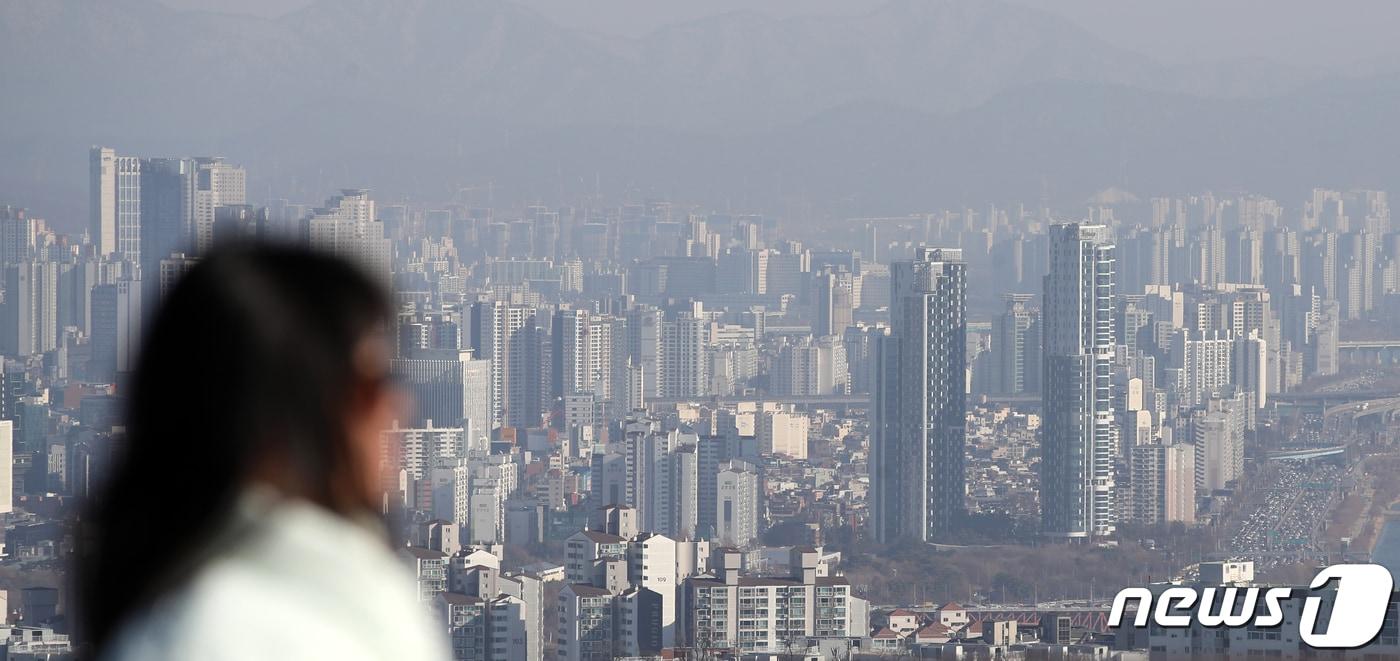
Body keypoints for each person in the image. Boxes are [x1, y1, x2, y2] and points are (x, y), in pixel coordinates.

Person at [76, 246, 450, 661]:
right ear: (271, 416)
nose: (396, 407)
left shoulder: (357, 595)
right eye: (368, 385)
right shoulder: (210, 637)